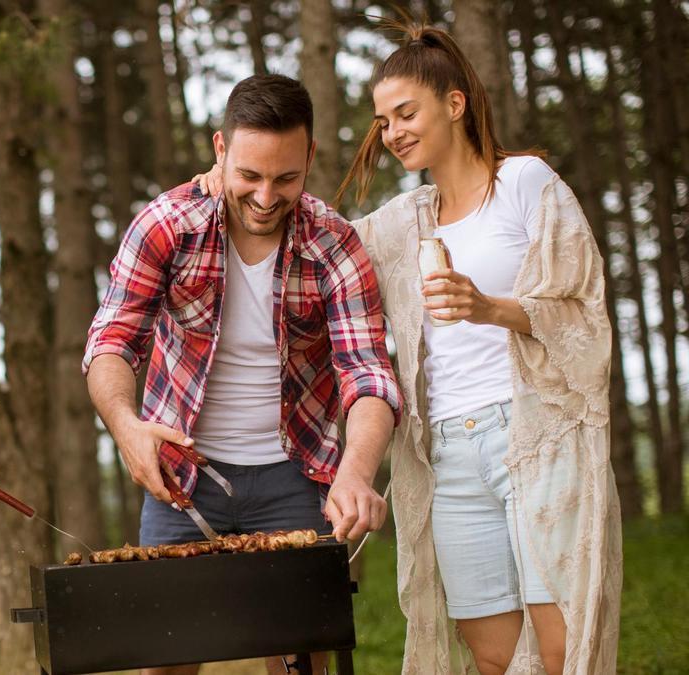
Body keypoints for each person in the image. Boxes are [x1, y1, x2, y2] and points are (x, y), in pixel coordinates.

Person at [200, 19, 621, 675]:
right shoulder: (403, 220)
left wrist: (490, 307)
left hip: (536, 437)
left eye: (405, 113)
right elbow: (314, 238)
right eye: (382, 119)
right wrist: (226, 178)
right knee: (490, 651)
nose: (392, 132)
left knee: (564, 643)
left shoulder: (526, 183)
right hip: (445, 454)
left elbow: (583, 309)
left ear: (454, 103)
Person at [84, 73, 401, 675]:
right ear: (219, 149)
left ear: (310, 157)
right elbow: (112, 340)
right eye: (249, 176)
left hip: (296, 477)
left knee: (300, 660)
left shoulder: (335, 245)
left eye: (285, 178)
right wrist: (127, 428)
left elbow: (367, 374)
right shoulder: (167, 224)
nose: (264, 196)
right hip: (183, 476)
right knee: (167, 656)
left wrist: (356, 473)